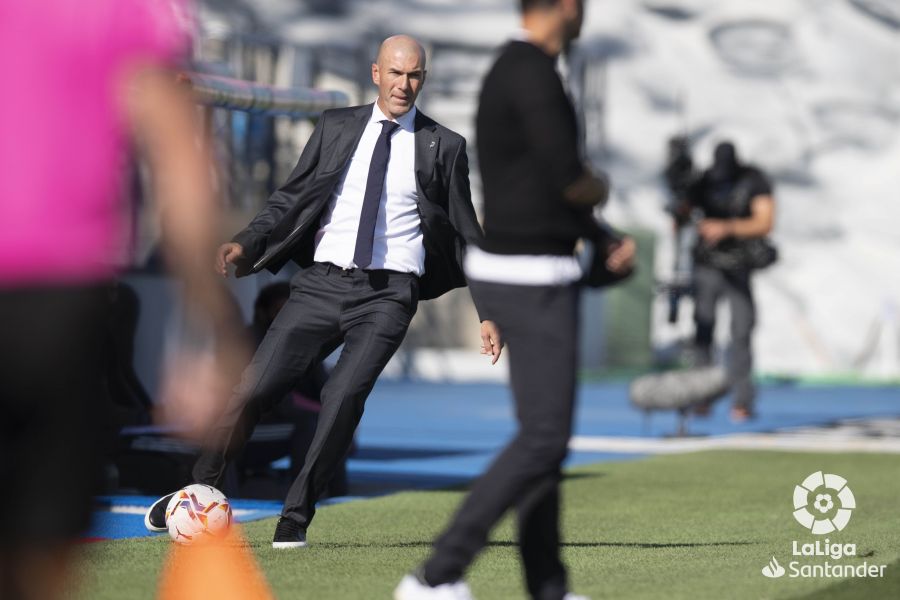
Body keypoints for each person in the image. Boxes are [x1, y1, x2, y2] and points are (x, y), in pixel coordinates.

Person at [144, 34, 503, 549]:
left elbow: (470, 236)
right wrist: (246, 242)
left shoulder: (443, 146)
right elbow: (290, 195)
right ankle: (196, 492)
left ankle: (295, 517)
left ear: (423, 79)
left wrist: (488, 311)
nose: (405, 84)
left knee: (343, 398)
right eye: (396, 73)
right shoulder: (336, 127)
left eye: (415, 75)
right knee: (253, 389)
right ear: (376, 73)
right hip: (319, 286)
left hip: (388, 297)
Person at [0, 2, 246, 599]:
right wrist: (206, 332)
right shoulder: (126, 11)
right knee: (37, 560)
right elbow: (182, 168)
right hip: (52, 303)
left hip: (52, 300)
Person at [396, 1, 635, 599]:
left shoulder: (524, 68)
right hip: (529, 275)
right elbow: (568, 174)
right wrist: (601, 190)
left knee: (542, 440)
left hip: (530, 267)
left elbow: (548, 184)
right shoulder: (528, 72)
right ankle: (435, 576)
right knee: (544, 438)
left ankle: (547, 588)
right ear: (562, 6)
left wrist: (600, 237)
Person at [681, 141, 775, 422]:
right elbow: (683, 212)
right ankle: (701, 395)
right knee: (703, 329)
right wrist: (680, 192)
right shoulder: (704, 180)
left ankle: (742, 400)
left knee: (741, 331)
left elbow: (765, 220)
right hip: (707, 264)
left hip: (739, 265)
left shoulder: (752, 180)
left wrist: (728, 228)